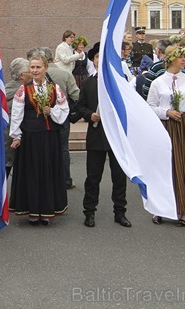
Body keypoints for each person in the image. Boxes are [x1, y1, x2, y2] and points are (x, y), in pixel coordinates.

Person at [147, 46, 185, 226]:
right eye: (180, 57)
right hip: (166, 127)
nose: (183, 60)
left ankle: (184, 209)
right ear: (171, 59)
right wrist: (166, 112)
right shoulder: (158, 82)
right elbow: (149, 107)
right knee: (166, 168)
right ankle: (160, 209)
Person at [8, 55, 69, 225]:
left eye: (38, 67)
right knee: (33, 173)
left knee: (48, 172)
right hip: (31, 138)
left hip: (50, 137)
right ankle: (33, 211)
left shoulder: (55, 88)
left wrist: (52, 112)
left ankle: (47, 210)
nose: (34, 70)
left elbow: (64, 109)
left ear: (46, 68)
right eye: (32, 67)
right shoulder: (23, 89)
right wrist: (16, 136)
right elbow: (17, 114)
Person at [75, 43, 131, 228]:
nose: (100, 60)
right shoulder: (88, 83)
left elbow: (128, 105)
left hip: (115, 136)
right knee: (93, 177)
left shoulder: (118, 82)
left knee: (119, 177)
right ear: (93, 60)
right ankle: (89, 211)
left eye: (103, 57)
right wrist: (89, 114)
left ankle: (120, 212)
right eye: (97, 57)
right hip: (96, 135)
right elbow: (80, 106)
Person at [28, 46, 80, 189]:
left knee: (43, 149)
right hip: (62, 116)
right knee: (63, 149)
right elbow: (76, 95)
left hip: (39, 118)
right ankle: (65, 179)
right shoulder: (65, 74)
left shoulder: (32, 75)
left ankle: (45, 179)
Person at [4, 58, 32, 179]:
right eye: (30, 70)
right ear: (22, 75)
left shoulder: (4, 88)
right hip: (15, 133)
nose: (32, 72)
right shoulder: (24, 90)